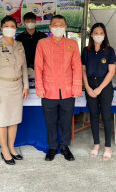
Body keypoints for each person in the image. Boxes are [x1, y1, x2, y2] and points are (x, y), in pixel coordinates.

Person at [34, 15, 82, 161]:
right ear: (50, 27)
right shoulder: (42, 43)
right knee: (50, 122)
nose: (58, 27)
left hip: (67, 91)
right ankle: (53, 147)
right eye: (55, 25)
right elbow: (38, 67)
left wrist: (77, 88)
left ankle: (65, 146)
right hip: (48, 91)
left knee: (66, 121)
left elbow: (77, 68)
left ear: (66, 27)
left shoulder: (72, 44)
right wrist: (39, 88)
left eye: (61, 25)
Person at [0, 16, 29, 165]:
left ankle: (11, 147)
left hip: (17, 87)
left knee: (14, 120)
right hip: (1, 87)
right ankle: (4, 149)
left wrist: (25, 86)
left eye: (12, 26)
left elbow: (24, 67)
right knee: (1, 120)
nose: (9, 28)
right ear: (1, 28)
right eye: (6, 26)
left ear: (16, 29)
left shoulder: (20, 45)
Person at [82, 23, 116, 160]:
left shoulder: (109, 50)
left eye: (101, 33)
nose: (98, 35)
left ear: (105, 35)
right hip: (90, 84)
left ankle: (108, 145)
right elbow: (83, 70)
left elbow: (111, 72)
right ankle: (96, 144)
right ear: (91, 35)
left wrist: (100, 88)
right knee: (94, 116)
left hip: (105, 85)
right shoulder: (86, 50)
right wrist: (88, 87)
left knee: (106, 116)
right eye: (96, 33)